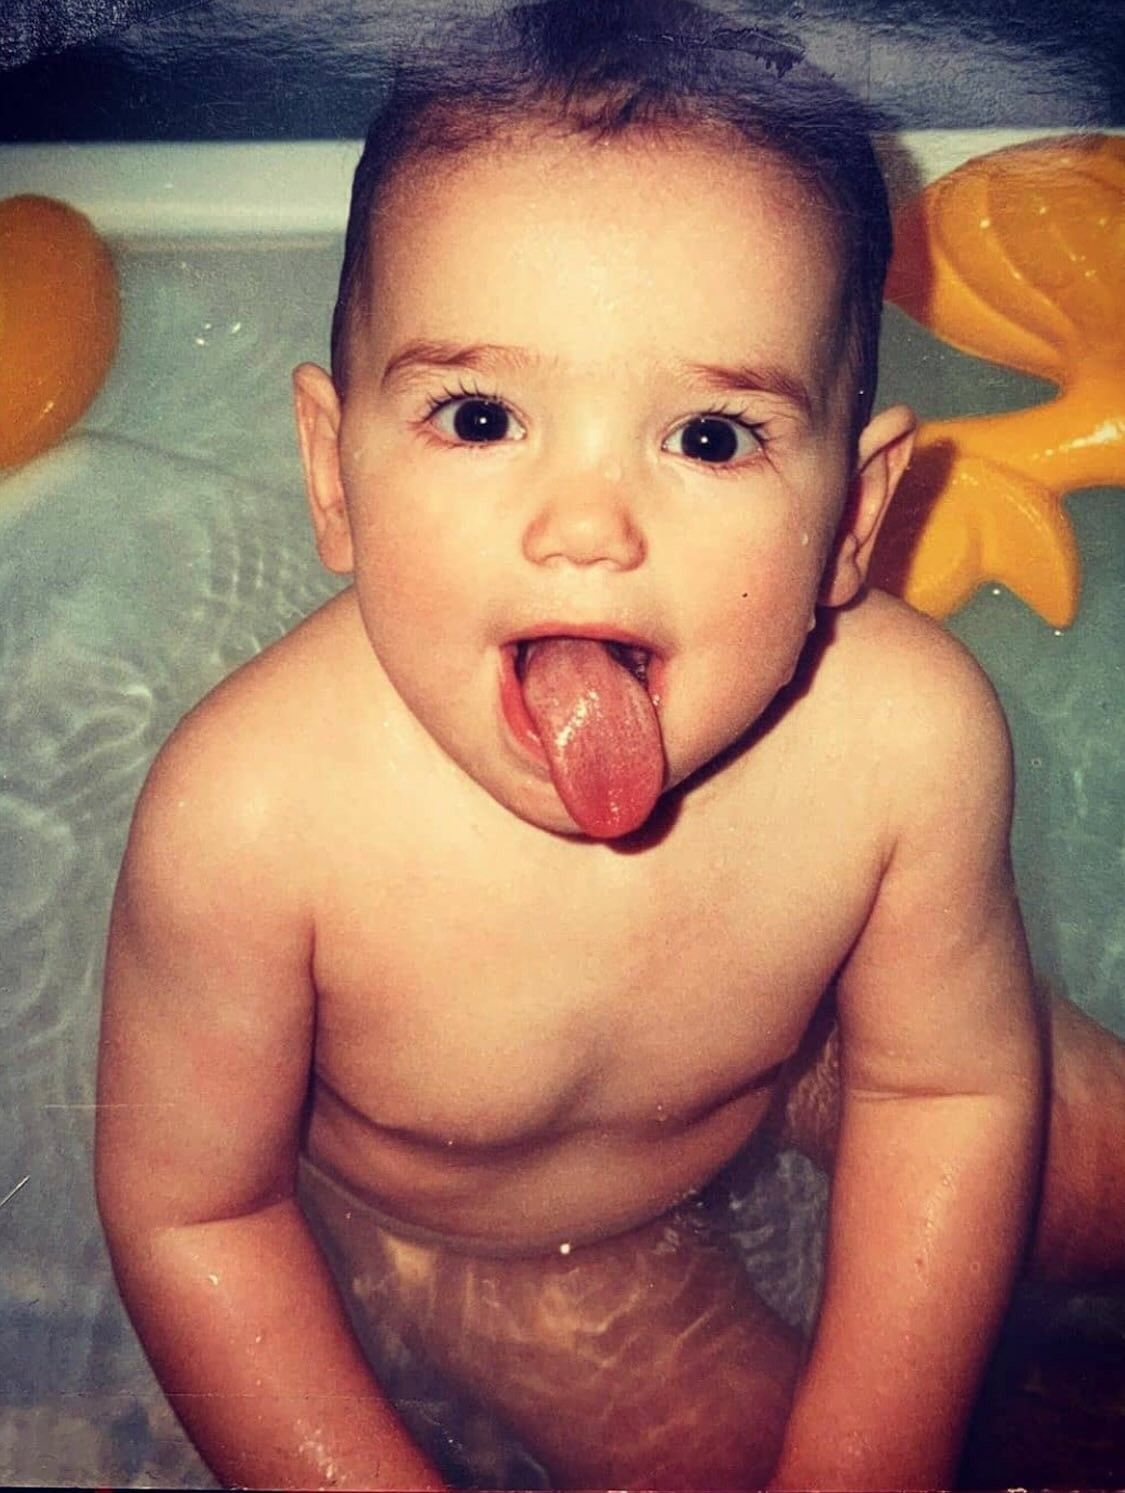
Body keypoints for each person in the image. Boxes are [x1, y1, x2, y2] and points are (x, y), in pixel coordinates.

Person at [94, 2, 1124, 1488]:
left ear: (853, 518)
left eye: (708, 437)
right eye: (479, 416)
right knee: (736, 1455)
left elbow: (944, 1092)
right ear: (332, 476)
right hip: (498, 1237)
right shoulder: (253, 820)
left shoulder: (906, 745)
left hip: (818, 1054)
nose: (585, 526)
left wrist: (878, 1451)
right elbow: (199, 1216)